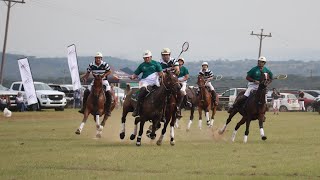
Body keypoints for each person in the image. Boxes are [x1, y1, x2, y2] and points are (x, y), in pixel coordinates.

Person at [130, 50, 163, 117]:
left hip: (155, 82)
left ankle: (163, 110)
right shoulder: (142, 65)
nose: (147, 59)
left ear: (151, 57)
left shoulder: (156, 64)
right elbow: (136, 74)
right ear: (143, 58)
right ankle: (137, 109)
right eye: (145, 57)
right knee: (142, 90)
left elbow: (160, 73)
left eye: (148, 57)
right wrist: (132, 76)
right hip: (145, 82)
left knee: (163, 92)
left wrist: (161, 74)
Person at [78, 52, 112, 116]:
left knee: (109, 93)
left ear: (101, 58)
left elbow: (110, 71)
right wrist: (85, 78)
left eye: (99, 58)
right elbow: (88, 72)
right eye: (97, 58)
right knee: (86, 91)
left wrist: (104, 75)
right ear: (95, 58)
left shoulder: (105, 64)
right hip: (95, 81)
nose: (98, 59)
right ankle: (84, 108)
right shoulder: (91, 65)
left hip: (104, 81)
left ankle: (108, 110)